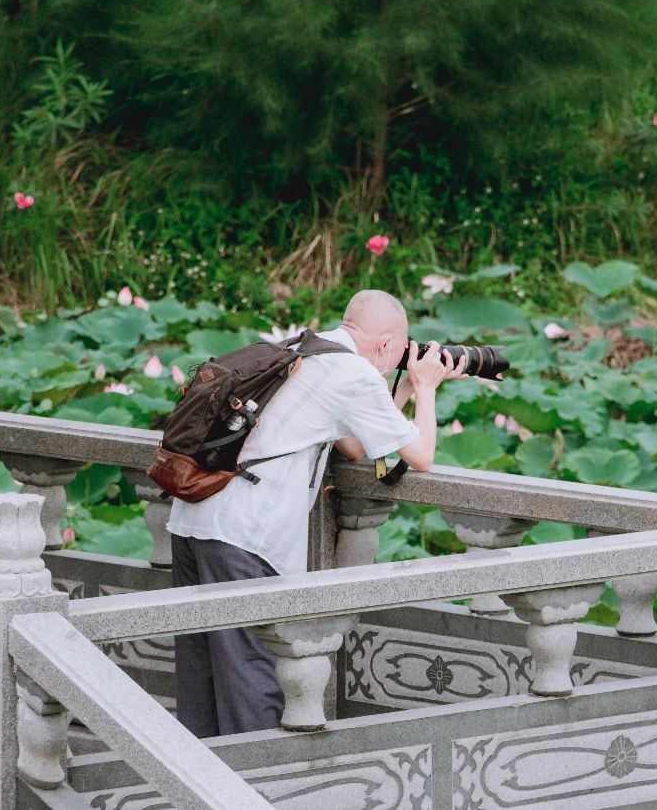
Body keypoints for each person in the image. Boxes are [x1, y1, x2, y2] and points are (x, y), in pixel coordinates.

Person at [165, 289, 467, 737]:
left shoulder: (300, 348)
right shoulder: (353, 374)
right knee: (253, 684)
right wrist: (425, 387)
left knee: (202, 683)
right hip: (242, 538)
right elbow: (420, 455)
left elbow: (355, 445)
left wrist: (399, 390)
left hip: (193, 520)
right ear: (386, 345)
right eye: (399, 353)